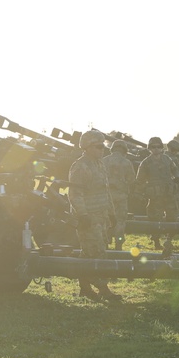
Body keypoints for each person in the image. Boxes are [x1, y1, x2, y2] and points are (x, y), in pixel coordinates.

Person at [68, 129, 120, 301]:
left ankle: (84, 288)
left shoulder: (99, 164)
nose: (102, 149)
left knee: (88, 253)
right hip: (88, 218)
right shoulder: (80, 166)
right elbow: (75, 193)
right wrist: (83, 215)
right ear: (87, 147)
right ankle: (103, 290)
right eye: (98, 146)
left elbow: (105, 191)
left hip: (101, 216)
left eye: (103, 145)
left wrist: (111, 213)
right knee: (97, 253)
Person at [136, 137, 179, 247]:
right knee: (155, 219)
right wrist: (139, 194)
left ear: (161, 148)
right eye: (153, 147)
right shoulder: (145, 162)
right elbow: (139, 180)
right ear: (149, 148)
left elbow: (175, 171)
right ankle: (156, 241)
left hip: (168, 193)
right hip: (154, 195)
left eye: (158, 147)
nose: (156, 149)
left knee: (172, 216)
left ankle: (169, 240)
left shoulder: (167, 159)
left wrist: (178, 178)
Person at [102, 139, 136, 251]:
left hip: (106, 197)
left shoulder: (103, 161)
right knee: (120, 221)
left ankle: (105, 243)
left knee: (106, 220)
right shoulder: (126, 162)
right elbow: (131, 180)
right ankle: (118, 245)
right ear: (124, 150)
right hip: (121, 197)